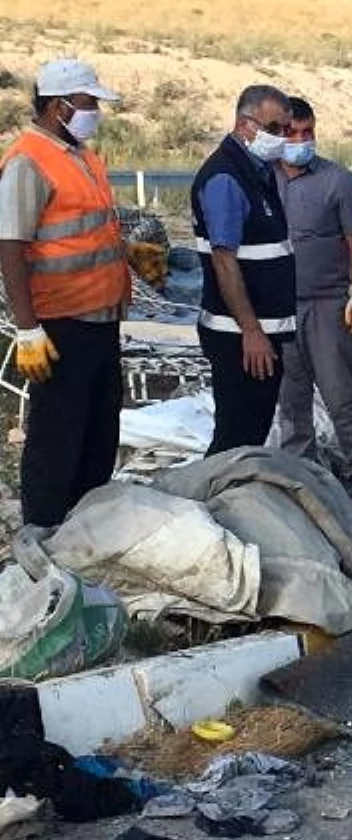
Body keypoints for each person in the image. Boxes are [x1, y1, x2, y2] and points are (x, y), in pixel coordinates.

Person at [0, 59, 127, 527]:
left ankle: (86, 523)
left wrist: (130, 251)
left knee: (99, 427)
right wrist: (28, 328)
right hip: (60, 325)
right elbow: (10, 245)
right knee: (58, 434)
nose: (96, 111)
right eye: (89, 102)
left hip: (100, 317)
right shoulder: (28, 161)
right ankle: (46, 529)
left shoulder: (83, 157)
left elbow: (86, 230)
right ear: (59, 106)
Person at [274, 96, 352, 498]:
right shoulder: (263, 178)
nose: (302, 140)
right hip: (280, 307)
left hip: (328, 303)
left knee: (340, 392)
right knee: (290, 395)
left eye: (308, 132)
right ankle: (301, 470)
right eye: (293, 133)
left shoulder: (338, 180)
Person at [190, 84, 296, 456]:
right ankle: (218, 501)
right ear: (245, 125)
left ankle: (232, 500)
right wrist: (251, 331)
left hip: (260, 331)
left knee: (252, 431)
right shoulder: (226, 178)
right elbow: (224, 259)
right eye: (274, 128)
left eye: (285, 128)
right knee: (236, 437)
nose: (282, 137)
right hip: (240, 335)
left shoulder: (257, 172)